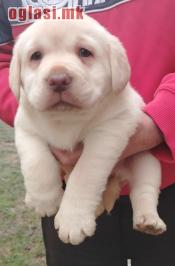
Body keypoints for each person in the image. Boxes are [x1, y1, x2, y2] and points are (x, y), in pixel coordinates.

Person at [1, 0, 175, 265]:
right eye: (37, 56)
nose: (58, 76)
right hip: (63, 186)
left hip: (166, 167)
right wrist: (39, 124)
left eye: (84, 52)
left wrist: (162, 119)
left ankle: (145, 205)